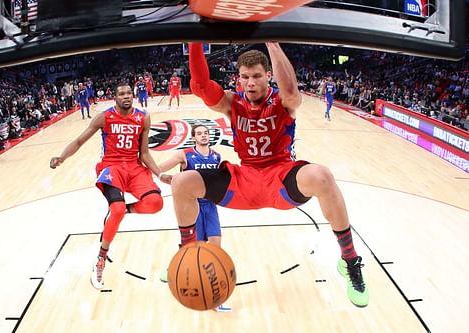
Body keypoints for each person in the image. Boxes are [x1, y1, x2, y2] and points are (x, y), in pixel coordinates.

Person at [171, 42, 369, 307]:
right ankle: (187, 251)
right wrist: (194, 41)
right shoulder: (232, 102)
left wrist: (273, 42)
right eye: (244, 76)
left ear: (268, 75)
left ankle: (349, 261)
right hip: (245, 178)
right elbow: (201, 86)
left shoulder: (282, 100)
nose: (250, 82)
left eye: (256, 76)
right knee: (182, 181)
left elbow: (291, 91)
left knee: (322, 176)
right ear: (238, 77)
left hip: (280, 174)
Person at [50, 83, 172, 290]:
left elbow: (144, 153)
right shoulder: (105, 117)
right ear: (114, 97)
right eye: (121, 94)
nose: (126, 96)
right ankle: (101, 257)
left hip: (134, 167)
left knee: (155, 203)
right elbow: (79, 141)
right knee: (115, 208)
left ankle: (123, 210)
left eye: (128, 93)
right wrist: (61, 157)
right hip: (111, 167)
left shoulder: (143, 117)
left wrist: (159, 174)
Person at [158, 124, 231, 312]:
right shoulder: (184, 155)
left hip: (211, 206)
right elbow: (159, 168)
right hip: (193, 206)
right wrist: (164, 177)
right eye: (199, 133)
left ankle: (216, 297)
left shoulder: (216, 156)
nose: (203, 136)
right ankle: (177, 270)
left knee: (216, 248)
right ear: (194, 137)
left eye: (206, 133)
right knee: (194, 250)